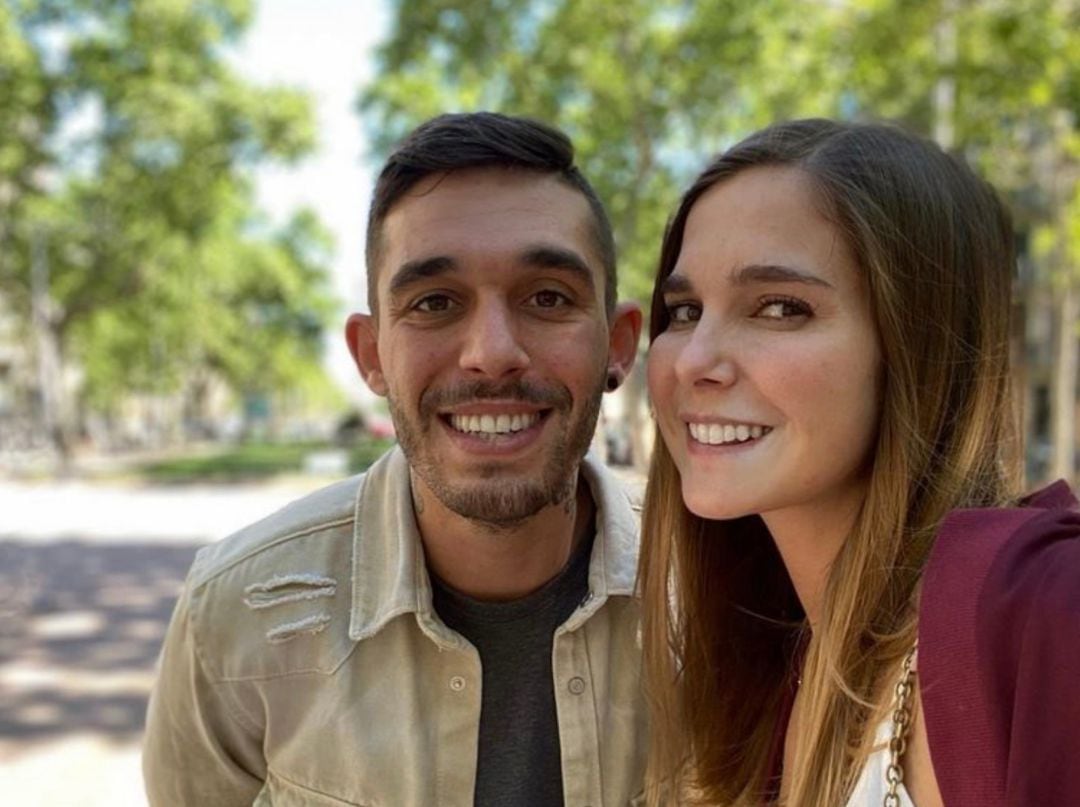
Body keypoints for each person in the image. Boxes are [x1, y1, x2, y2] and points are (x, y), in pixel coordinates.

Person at [143, 111, 646, 806]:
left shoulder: (722, 589)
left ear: (618, 344)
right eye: (435, 302)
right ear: (371, 355)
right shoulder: (233, 614)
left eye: (549, 297)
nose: (491, 351)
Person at [638, 118, 1080, 806]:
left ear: (917, 344)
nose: (693, 360)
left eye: (780, 308)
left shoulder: (1044, 608)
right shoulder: (769, 674)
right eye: (686, 309)